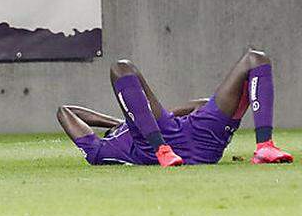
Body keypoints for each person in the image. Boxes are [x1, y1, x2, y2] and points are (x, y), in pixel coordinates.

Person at [57, 49, 292, 167]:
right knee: (120, 68)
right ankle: (163, 151)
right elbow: (65, 111)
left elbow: (198, 105)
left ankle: (265, 146)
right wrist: (123, 123)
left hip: (195, 135)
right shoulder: (100, 150)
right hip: (153, 146)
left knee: (255, 58)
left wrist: (129, 120)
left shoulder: (143, 122)